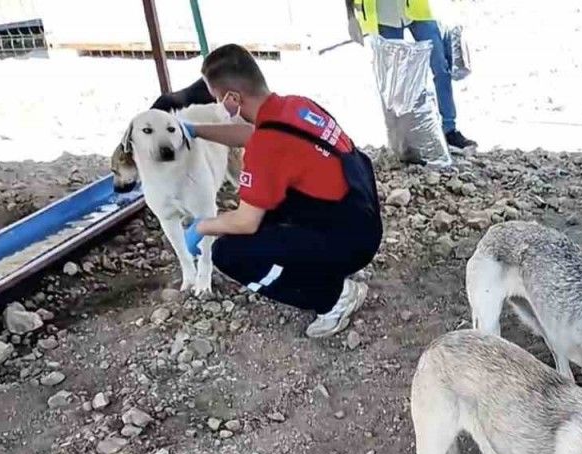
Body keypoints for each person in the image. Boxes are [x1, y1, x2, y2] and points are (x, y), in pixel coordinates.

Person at [180, 44, 383, 338]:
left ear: (233, 98)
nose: (218, 107)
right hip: (361, 216)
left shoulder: (267, 146)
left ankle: (334, 297)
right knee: (268, 207)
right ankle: (326, 262)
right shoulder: (295, 106)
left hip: (352, 241)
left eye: (217, 99)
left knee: (229, 252)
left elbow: (245, 222)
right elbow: (251, 135)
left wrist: (201, 227)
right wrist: (196, 130)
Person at [353, 0, 476, 150]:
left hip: (417, 9)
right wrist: (351, 17)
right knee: (396, 81)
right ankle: (403, 140)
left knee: (441, 67)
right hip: (383, 15)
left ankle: (449, 129)